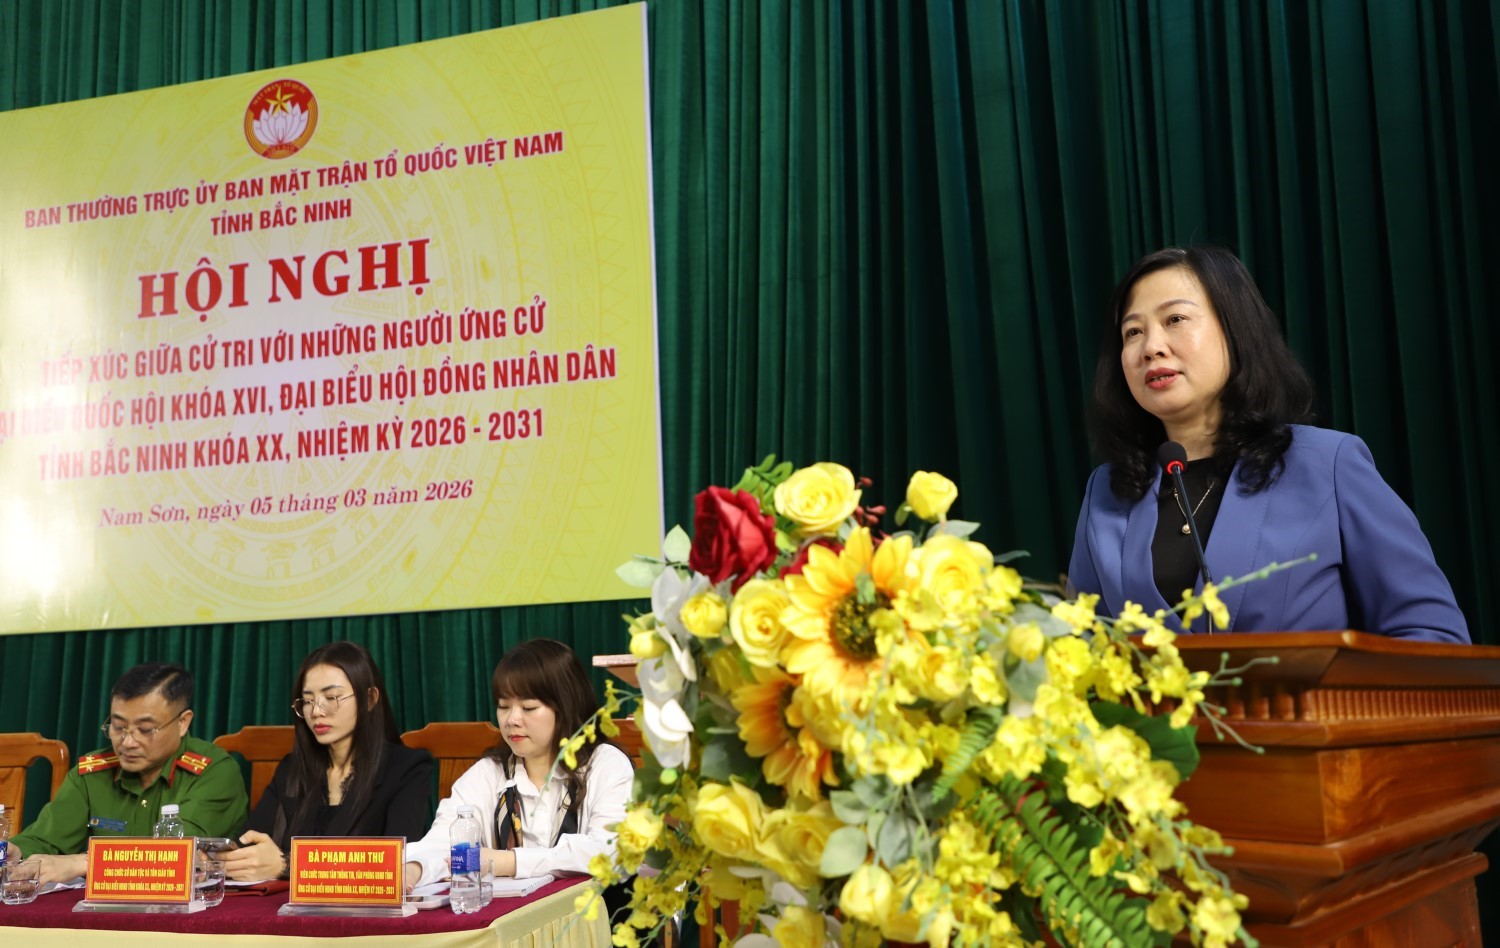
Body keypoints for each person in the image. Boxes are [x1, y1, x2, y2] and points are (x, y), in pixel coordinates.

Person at [1068, 245, 1470, 643]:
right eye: (1133, 332)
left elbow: (1432, 634)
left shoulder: (1328, 465)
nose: (1151, 347)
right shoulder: (1106, 491)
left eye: (1175, 319)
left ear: (1235, 330)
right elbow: (1078, 650)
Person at [403, 639, 633, 888]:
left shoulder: (605, 764)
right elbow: (442, 843)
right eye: (504, 706)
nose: (512, 719)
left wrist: (508, 862)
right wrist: (414, 869)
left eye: (528, 707)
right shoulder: (488, 773)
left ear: (566, 707)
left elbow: (610, 851)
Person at [9, 663, 248, 885]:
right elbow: (45, 839)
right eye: (118, 727)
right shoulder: (92, 774)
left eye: (145, 729)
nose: (128, 742)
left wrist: (84, 863)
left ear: (182, 723)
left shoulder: (215, 772)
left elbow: (176, 856)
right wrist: (15, 852)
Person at [222, 641, 432, 881]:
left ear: (370, 698)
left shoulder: (407, 769)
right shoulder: (292, 769)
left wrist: (288, 865)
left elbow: (392, 865)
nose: (316, 712)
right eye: (308, 701)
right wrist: (220, 858)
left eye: (331, 697)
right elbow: (249, 842)